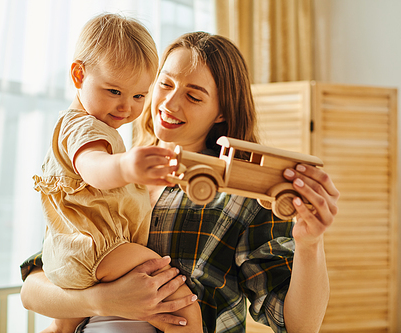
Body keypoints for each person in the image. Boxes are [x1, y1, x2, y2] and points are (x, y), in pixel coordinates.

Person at [21, 31, 340, 333]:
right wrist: (103, 300)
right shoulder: (107, 168)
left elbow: (299, 325)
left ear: (221, 112)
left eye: (193, 96)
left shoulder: (242, 200)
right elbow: (34, 290)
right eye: (165, 84)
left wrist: (310, 245)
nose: (170, 104)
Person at [31, 13, 203, 333]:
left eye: (139, 96)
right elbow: (93, 166)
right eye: (114, 91)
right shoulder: (83, 128)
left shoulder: (84, 125)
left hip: (68, 256)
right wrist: (126, 166)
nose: (126, 107)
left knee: (63, 325)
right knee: (181, 303)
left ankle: (60, 328)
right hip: (99, 251)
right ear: (79, 75)